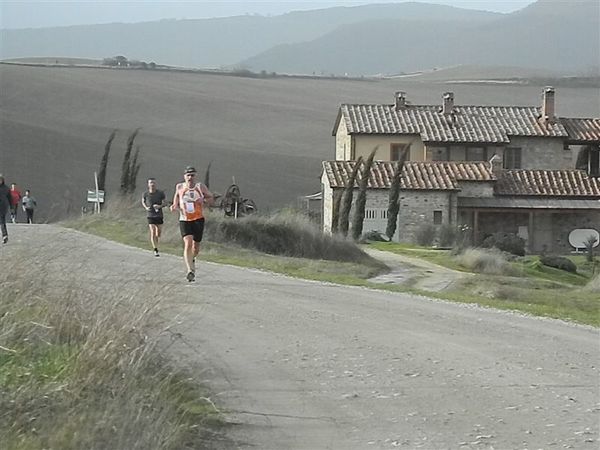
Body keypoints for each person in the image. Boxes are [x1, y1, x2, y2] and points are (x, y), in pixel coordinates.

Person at [171, 166, 214, 282]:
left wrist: (203, 200)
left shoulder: (200, 187)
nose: (190, 177)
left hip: (198, 219)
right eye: (188, 175)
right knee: (188, 243)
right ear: (184, 176)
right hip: (184, 219)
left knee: (196, 247)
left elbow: (211, 198)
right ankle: (190, 270)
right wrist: (174, 205)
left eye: (192, 175)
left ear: (195, 176)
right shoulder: (180, 186)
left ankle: (192, 258)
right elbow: (177, 196)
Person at [141, 177, 166, 257]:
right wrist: (146, 207)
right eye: (151, 183)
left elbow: (165, 203)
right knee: (153, 231)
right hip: (150, 214)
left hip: (159, 214)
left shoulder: (160, 193)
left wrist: (159, 206)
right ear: (148, 185)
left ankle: (157, 243)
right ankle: (155, 249)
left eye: (153, 183)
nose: (152, 184)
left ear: (156, 184)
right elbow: (143, 201)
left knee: (158, 232)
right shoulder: (145, 194)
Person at [0, 175, 11, 244]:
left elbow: (10, 198)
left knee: (2, 222)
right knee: (2, 222)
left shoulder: (6, 188)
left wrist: (12, 207)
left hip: (2, 207)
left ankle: (5, 236)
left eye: (0, 180)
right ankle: (5, 235)